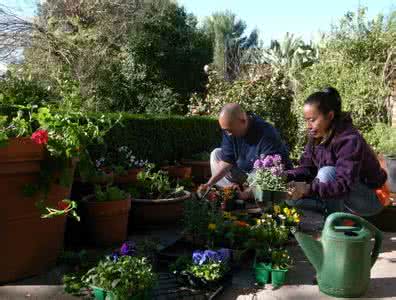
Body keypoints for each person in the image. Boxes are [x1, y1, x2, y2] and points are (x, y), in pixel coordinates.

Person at [286, 87, 387, 217]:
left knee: (326, 173)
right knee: (291, 198)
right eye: (306, 120)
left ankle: (336, 228)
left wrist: (307, 188)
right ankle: (334, 217)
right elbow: (307, 168)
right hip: (342, 195)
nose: (308, 126)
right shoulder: (316, 136)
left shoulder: (349, 140)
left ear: (330, 116)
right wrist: (286, 176)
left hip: (371, 198)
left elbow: (344, 185)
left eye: (312, 120)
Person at [199, 103, 292, 199]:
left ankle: (247, 195)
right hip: (244, 174)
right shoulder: (229, 129)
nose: (228, 134)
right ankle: (231, 192)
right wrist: (209, 184)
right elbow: (227, 161)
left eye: (230, 130)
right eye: (225, 130)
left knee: (261, 176)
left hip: (264, 176)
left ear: (243, 121)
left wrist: (248, 192)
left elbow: (269, 171)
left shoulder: (267, 132)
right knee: (216, 154)